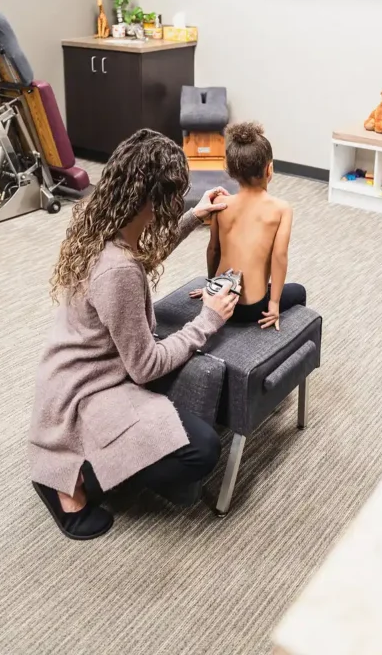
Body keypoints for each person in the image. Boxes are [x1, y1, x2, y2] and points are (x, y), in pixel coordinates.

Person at [29, 129, 238, 541]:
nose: (179, 201)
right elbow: (145, 367)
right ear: (151, 199)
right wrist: (207, 320)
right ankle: (71, 478)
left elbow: (138, 260)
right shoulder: (118, 270)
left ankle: (86, 462)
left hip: (66, 373)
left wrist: (194, 218)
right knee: (202, 448)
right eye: (176, 196)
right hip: (86, 391)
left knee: (184, 428)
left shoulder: (100, 219)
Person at [193, 122, 306, 331]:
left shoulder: (220, 202)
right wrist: (273, 304)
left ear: (232, 172)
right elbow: (279, 257)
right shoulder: (281, 209)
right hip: (251, 308)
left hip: (219, 300)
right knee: (299, 291)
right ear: (269, 168)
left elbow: (213, 249)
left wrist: (211, 287)